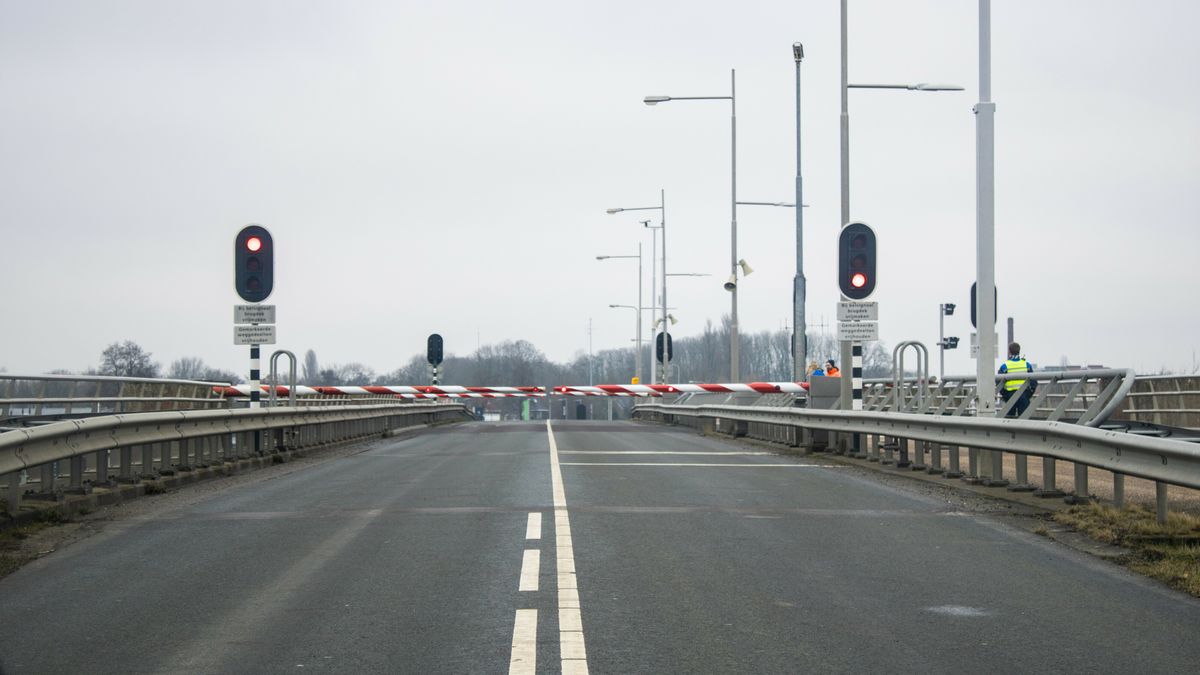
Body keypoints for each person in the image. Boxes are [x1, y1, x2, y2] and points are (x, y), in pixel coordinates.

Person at [999, 341, 1035, 417]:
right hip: (1024, 395)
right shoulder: (1027, 365)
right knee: (1024, 420)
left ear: (1009, 352)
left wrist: (1005, 395)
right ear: (1019, 351)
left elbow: (998, 383)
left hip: (1010, 396)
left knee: (1009, 421)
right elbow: (1034, 381)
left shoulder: (1005, 366)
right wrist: (1028, 394)